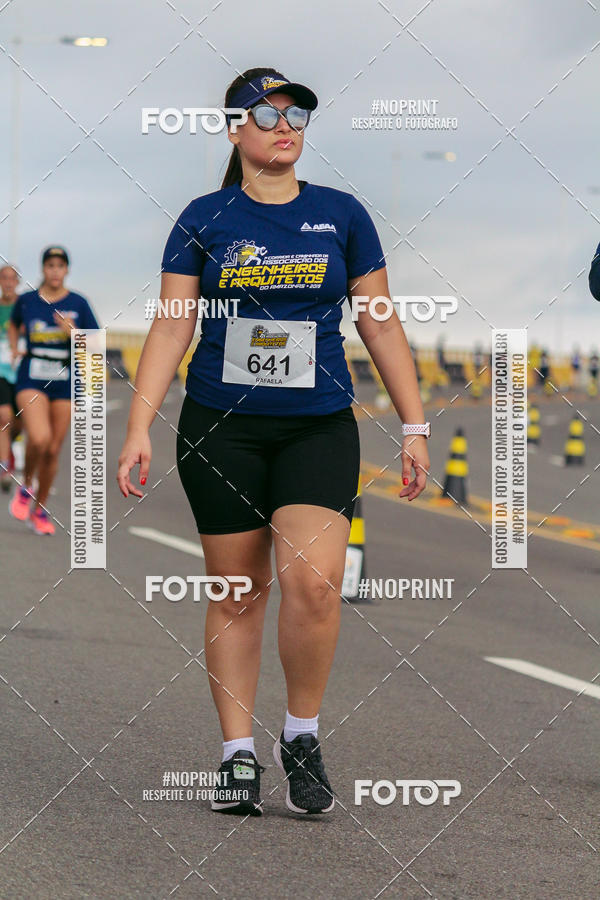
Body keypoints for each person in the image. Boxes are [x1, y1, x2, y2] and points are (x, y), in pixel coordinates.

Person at [117, 67, 431, 817]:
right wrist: (138, 426)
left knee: (317, 584)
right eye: (265, 113)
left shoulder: (342, 215)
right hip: (223, 429)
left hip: (318, 427)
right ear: (234, 129)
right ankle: (235, 756)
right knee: (237, 592)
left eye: (296, 114)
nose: (283, 124)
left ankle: (301, 733)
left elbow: (379, 321)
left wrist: (415, 426)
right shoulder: (204, 217)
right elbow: (171, 325)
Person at [7, 246, 100, 534]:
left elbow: (95, 345)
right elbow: (13, 325)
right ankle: (27, 485)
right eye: (50, 265)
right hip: (32, 375)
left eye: (60, 265)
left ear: (67, 270)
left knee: (52, 450)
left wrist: (73, 333)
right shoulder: (27, 301)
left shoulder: (79, 303)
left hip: (65, 378)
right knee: (39, 436)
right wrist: (14, 347)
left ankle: (40, 509)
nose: (55, 270)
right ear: (43, 268)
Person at [0, 265, 21, 492]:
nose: (8, 283)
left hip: (23, 372)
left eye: (12, 279)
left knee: (19, 423)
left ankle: (8, 450)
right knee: (4, 415)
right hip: (1, 371)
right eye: (4, 278)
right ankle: (5, 466)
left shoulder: (24, 307)